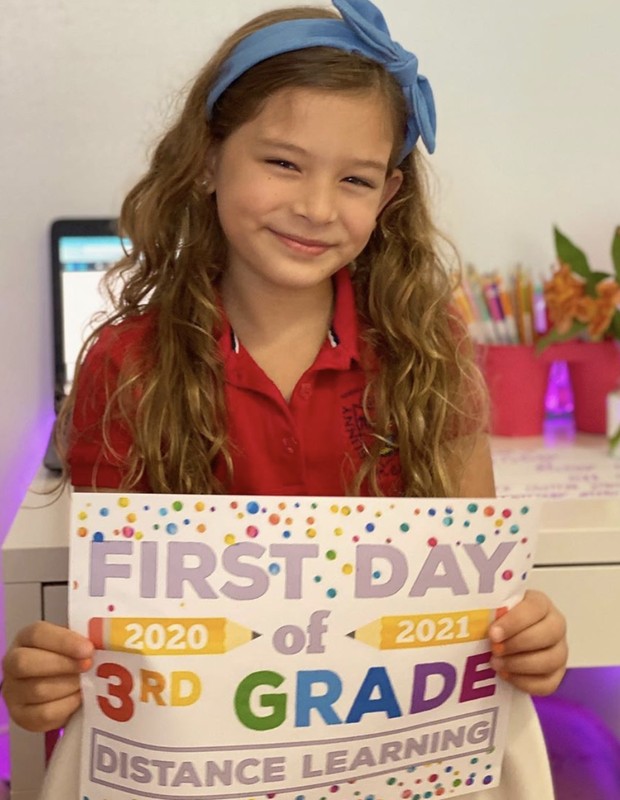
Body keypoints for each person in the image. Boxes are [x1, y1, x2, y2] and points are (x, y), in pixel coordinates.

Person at [2, 1, 567, 797]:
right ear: (206, 158)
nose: (316, 206)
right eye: (282, 163)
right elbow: (110, 637)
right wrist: (48, 676)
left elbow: (483, 603)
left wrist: (528, 637)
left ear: (390, 194)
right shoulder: (126, 365)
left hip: (393, 762)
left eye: (356, 179)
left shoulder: (427, 349)